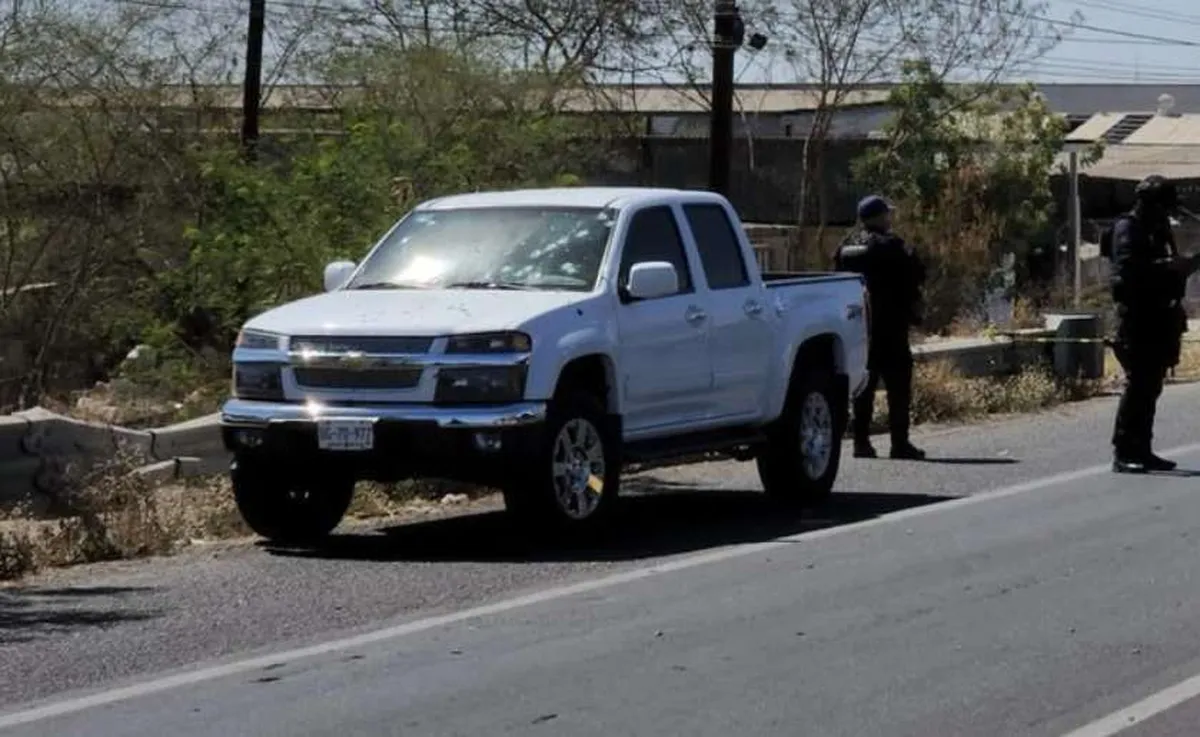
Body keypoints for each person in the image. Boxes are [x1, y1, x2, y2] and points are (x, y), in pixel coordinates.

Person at [1108, 174, 1200, 473]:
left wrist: (1188, 264)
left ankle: (1142, 448)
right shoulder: (1128, 228)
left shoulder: (1157, 227)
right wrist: (1168, 267)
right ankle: (1124, 451)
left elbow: (1172, 268)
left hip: (1161, 317)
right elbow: (1127, 273)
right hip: (1137, 319)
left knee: (1152, 386)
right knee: (1138, 385)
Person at [834, 195, 927, 460]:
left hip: (859, 328)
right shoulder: (892, 245)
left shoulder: (847, 246)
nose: (890, 218)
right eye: (887, 213)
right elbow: (916, 273)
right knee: (898, 387)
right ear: (878, 216)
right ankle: (900, 443)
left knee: (864, 387)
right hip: (891, 327)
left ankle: (861, 442)